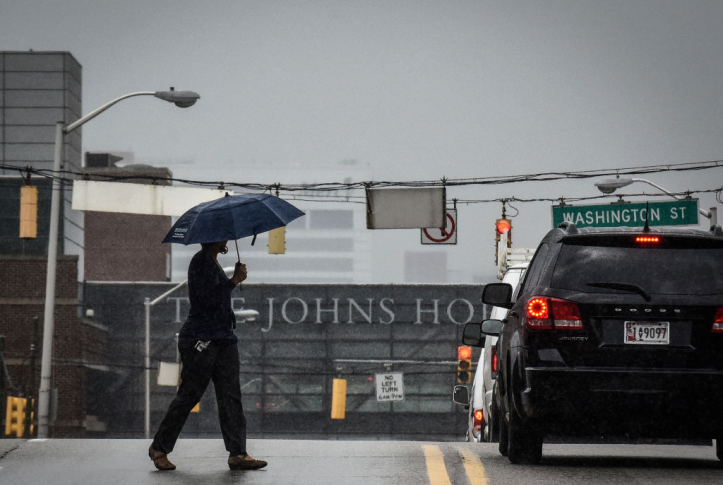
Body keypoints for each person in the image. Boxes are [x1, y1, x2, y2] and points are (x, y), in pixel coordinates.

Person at [148, 240, 267, 471]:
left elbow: (218, 300)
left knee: (230, 395)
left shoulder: (213, 262)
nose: (225, 239)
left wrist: (231, 284)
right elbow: (206, 300)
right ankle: (159, 447)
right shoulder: (200, 261)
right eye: (221, 235)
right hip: (201, 340)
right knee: (190, 394)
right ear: (212, 238)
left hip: (223, 339)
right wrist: (234, 281)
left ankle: (238, 453)